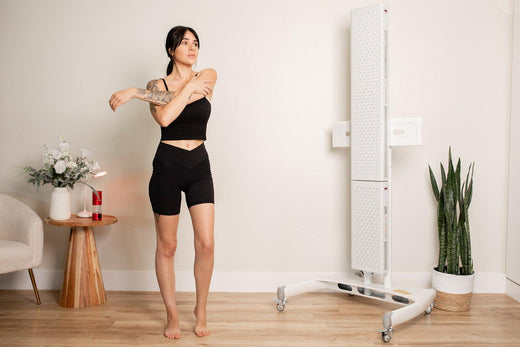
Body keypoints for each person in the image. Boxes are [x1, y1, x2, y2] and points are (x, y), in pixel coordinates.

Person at [108, 26, 217, 340]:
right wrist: (183, 89)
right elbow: (165, 119)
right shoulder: (156, 84)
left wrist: (135, 93)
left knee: (206, 243)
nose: (192, 47)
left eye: (195, 43)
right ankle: (172, 314)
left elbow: (171, 106)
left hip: (199, 164)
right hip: (168, 165)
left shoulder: (208, 74)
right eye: (185, 43)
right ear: (171, 50)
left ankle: (201, 309)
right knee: (168, 247)